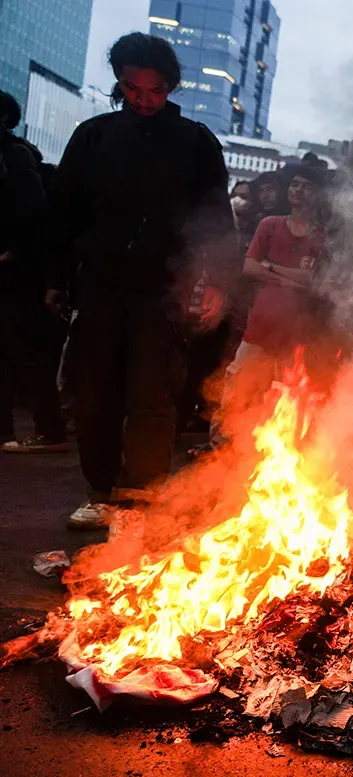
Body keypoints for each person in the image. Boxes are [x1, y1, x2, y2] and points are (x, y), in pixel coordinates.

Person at [43, 33, 235, 529]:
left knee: (154, 393)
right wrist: (56, 278)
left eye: (154, 90)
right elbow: (63, 213)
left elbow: (217, 219)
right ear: (120, 83)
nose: (143, 100)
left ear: (170, 86)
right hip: (101, 283)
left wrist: (215, 281)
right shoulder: (94, 136)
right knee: (95, 390)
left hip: (163, 289)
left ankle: (139, 496)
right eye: (132, 88)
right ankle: (100, 490)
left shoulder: (195, 142)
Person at [0, 90, 68, 453]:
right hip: (17, 271)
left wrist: (13, 253)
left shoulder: (16, 158)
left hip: (18, 275)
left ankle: (48, 428)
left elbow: (33, 216)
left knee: (24, 352)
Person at [234, 168, 328, 370]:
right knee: (236, 390)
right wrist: (292, 282)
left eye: (307, 186)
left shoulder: (322, 236)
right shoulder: (269, 225)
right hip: (259, 324)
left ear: (319, 195)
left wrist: (271, 267)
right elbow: (249, 267)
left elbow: (314, 280)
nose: (299, 190)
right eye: (295, 184)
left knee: (285, 393)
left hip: (295, 333)